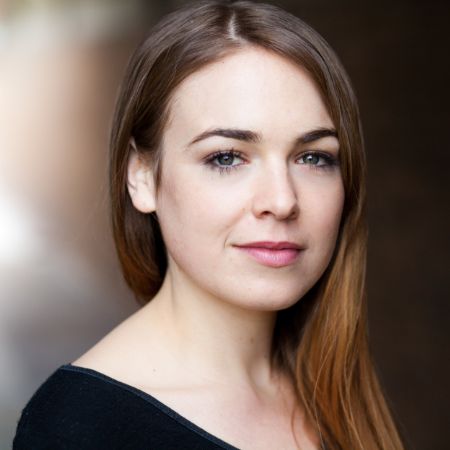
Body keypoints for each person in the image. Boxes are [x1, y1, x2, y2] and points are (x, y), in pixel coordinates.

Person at [13, 1, 405, 449]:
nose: (282, 201)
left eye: (313, 157)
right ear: (141, 177)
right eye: (227, 158)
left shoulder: (334, 390)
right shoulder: (78, 428)